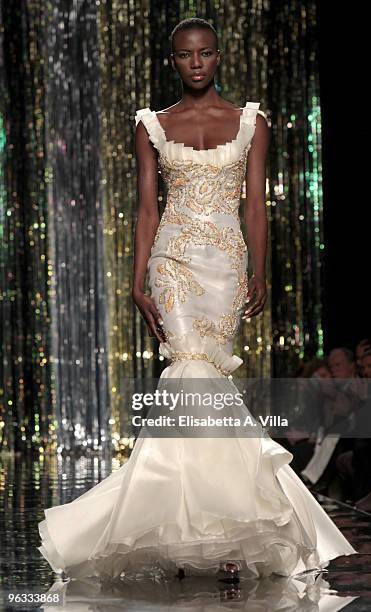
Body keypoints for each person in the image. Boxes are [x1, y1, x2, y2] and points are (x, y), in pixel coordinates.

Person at [37, 17, 357, 583]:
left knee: (209, 385)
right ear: (173, 61)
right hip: (173, 263)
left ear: (218, 57)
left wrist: (260, 269)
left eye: (206, 53)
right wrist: (138, 280)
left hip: (226, 264)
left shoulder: (249, 122)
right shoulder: (152, 125)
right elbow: (146, 210)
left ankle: (207, 526)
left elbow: (255, 205)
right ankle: (216, 530)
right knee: (188, 374)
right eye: (186, 56)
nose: (197, 64)